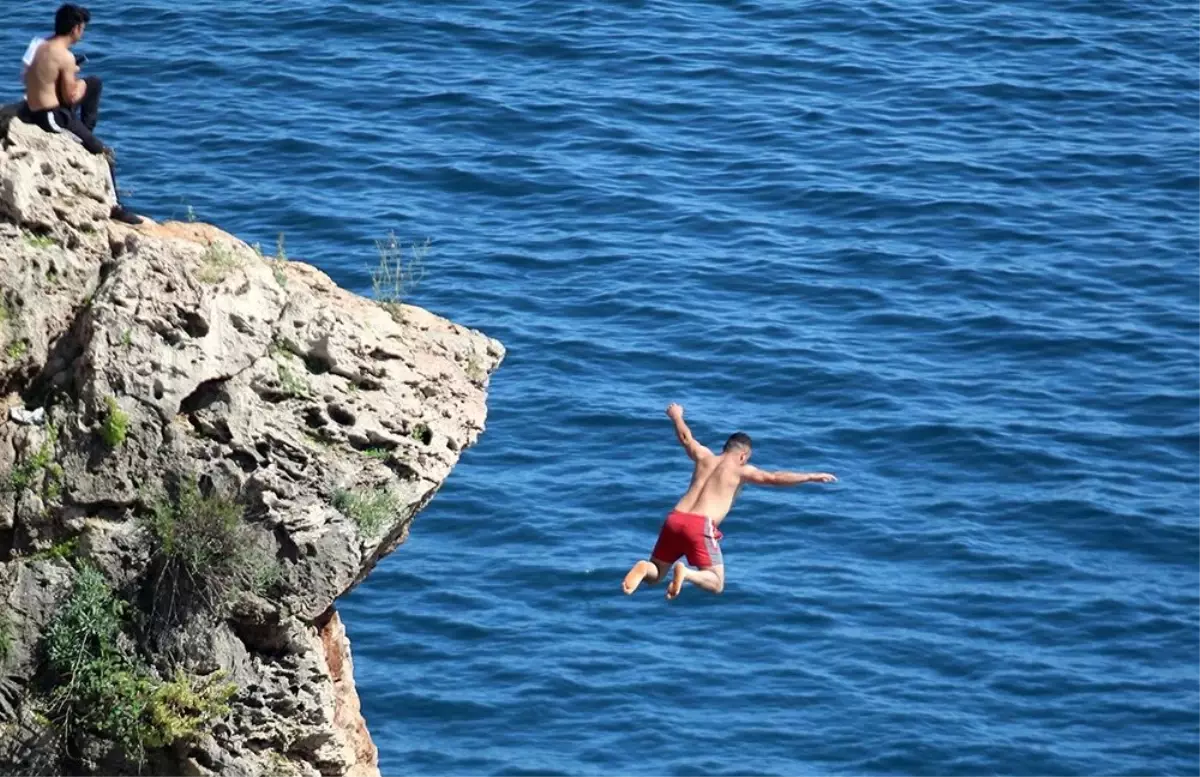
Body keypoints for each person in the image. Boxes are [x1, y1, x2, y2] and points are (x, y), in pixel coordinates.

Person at [622, 403, 837, 600]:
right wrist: (810, 476)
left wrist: (676, 416)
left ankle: (644, 567)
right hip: (699, 525)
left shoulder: (704, 456)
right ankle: (686, 573)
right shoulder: (740, 470)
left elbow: (686, 439)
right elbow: (773, 478)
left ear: (725, 448)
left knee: (656, 574)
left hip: (675, 518)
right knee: (716, 583)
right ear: (743, 456)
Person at [18, 4, 141, 225]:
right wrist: (74, 76)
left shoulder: (37, 45)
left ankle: (84, 131)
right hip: (51, 117)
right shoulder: (64, 57)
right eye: (82, 28)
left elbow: (24, 76)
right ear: (76, 29)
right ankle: (115, 207)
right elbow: (71, 97)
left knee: (93, 83)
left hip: (30, 108)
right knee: (104, 153)